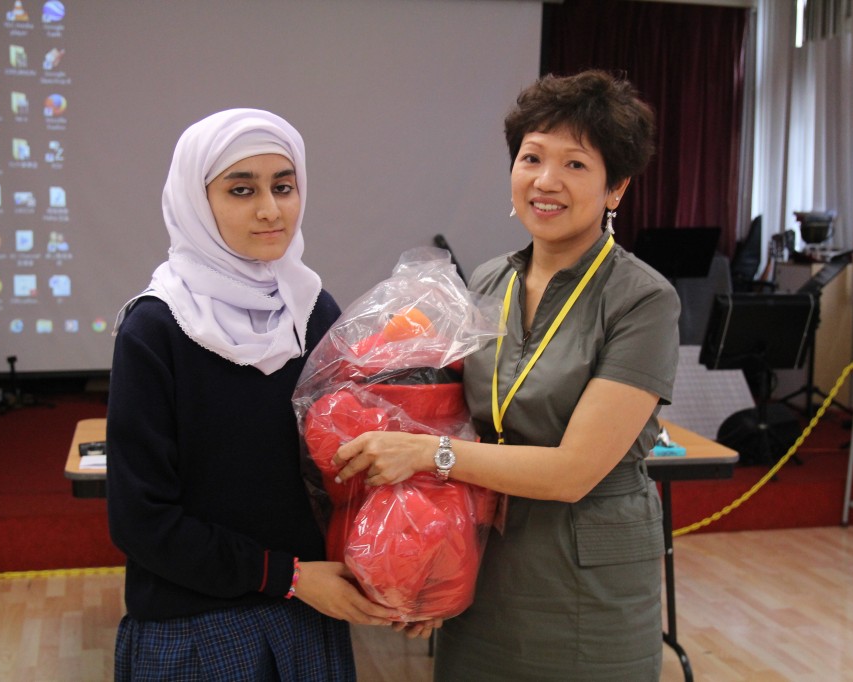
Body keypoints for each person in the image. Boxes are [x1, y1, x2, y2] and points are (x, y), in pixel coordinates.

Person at [333, 70, 680, 680]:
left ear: (616, 188)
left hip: (585, 580)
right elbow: (461, 421)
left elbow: (573, 472)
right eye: (531, 157)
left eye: (575, 164)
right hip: (484, 561)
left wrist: (426, 454)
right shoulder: (490, 280)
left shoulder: (642, 300)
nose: (545, 181)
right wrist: (428, 564)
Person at [106, 108, 405, 681]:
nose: (270, 209)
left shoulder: (313, 311)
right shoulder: (157, 328)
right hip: (195, 626)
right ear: (197, 202)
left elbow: (345, 469)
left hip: (309, 616)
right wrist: (287, 576)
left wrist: (404, 572)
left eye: (283, 187)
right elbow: (141, 522)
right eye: (241, 190)